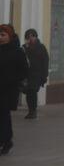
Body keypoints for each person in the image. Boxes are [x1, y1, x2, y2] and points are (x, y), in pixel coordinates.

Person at [0, 24, 28, 155]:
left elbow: (24, 71)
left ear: (10, 36)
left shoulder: (17, 52)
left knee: (3, 115)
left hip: (8, 90)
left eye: (3, 35)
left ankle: (6, 140)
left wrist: (12, 80)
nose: (0, 37)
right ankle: (5, 140)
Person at [21, 30, 48, 119]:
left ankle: (33, 111)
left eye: (32, 36)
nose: (31, 38)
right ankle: (31, 110)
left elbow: (45, 62)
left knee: (32, 91)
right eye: (28, 37)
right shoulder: (24, 48)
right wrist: (26, 47)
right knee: (28, 93)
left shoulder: (41, 47)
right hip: (27, 74)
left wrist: (44, 75)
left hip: (37, 74)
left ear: (36, 37)